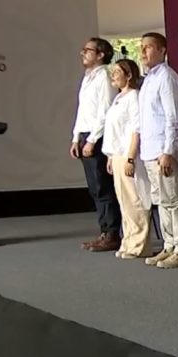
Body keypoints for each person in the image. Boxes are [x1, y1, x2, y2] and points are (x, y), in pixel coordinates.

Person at [139, 32, 178, 269]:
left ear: (162, 51)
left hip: (163, 151)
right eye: (141, 47)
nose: (143, 52)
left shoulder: (167, 78)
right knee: (161, 201)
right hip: (150, 151)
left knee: (172, 200)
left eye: (149, 47)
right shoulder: (149, 79)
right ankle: (169, 245)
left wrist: (169, 150)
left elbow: (174, 117)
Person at [70, 37, 119, 251]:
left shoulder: (105, 77)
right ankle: (104, 231)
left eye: (88, 50)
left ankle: (112, 233)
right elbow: (83, 111)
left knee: (102, 187)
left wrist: (92, 140)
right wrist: (76, 137)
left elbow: (105, 111)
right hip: (85, 135)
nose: (83, 53)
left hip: (97, 137)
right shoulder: (88, 77)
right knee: (94, 188)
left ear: (101, 54)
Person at [101, 59, 150, 259]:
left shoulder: (134, 97)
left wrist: (130, 157)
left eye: (117, 72)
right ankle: (128, 241)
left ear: (129, 75)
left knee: (134, 199)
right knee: (124, 201)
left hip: (129, 154)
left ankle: (139, 244)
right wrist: (111, 156)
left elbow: (136, 129)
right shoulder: (118, 98)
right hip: (117, 155)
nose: (113, 75)